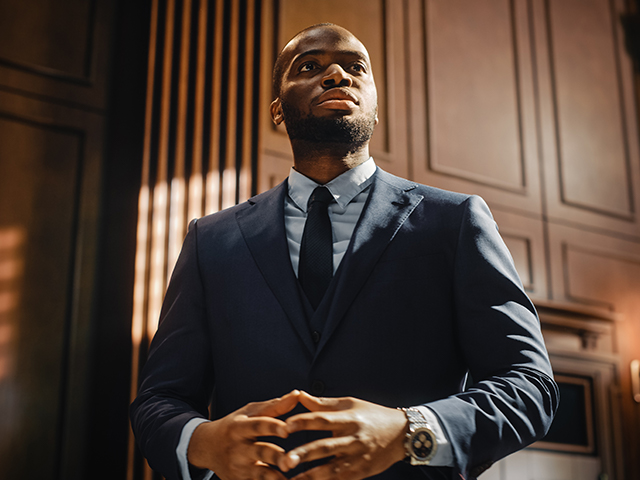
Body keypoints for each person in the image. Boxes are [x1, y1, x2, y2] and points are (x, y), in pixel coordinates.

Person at [130, 23, 559, 480]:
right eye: (310, 66)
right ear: (277, 109)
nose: (337, 73)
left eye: (356, 67)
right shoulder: (210, 240)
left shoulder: (454, 221)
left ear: (375, 110)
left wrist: (407, 431)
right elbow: (159, 400)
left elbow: (529, 386)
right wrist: (204, 442)